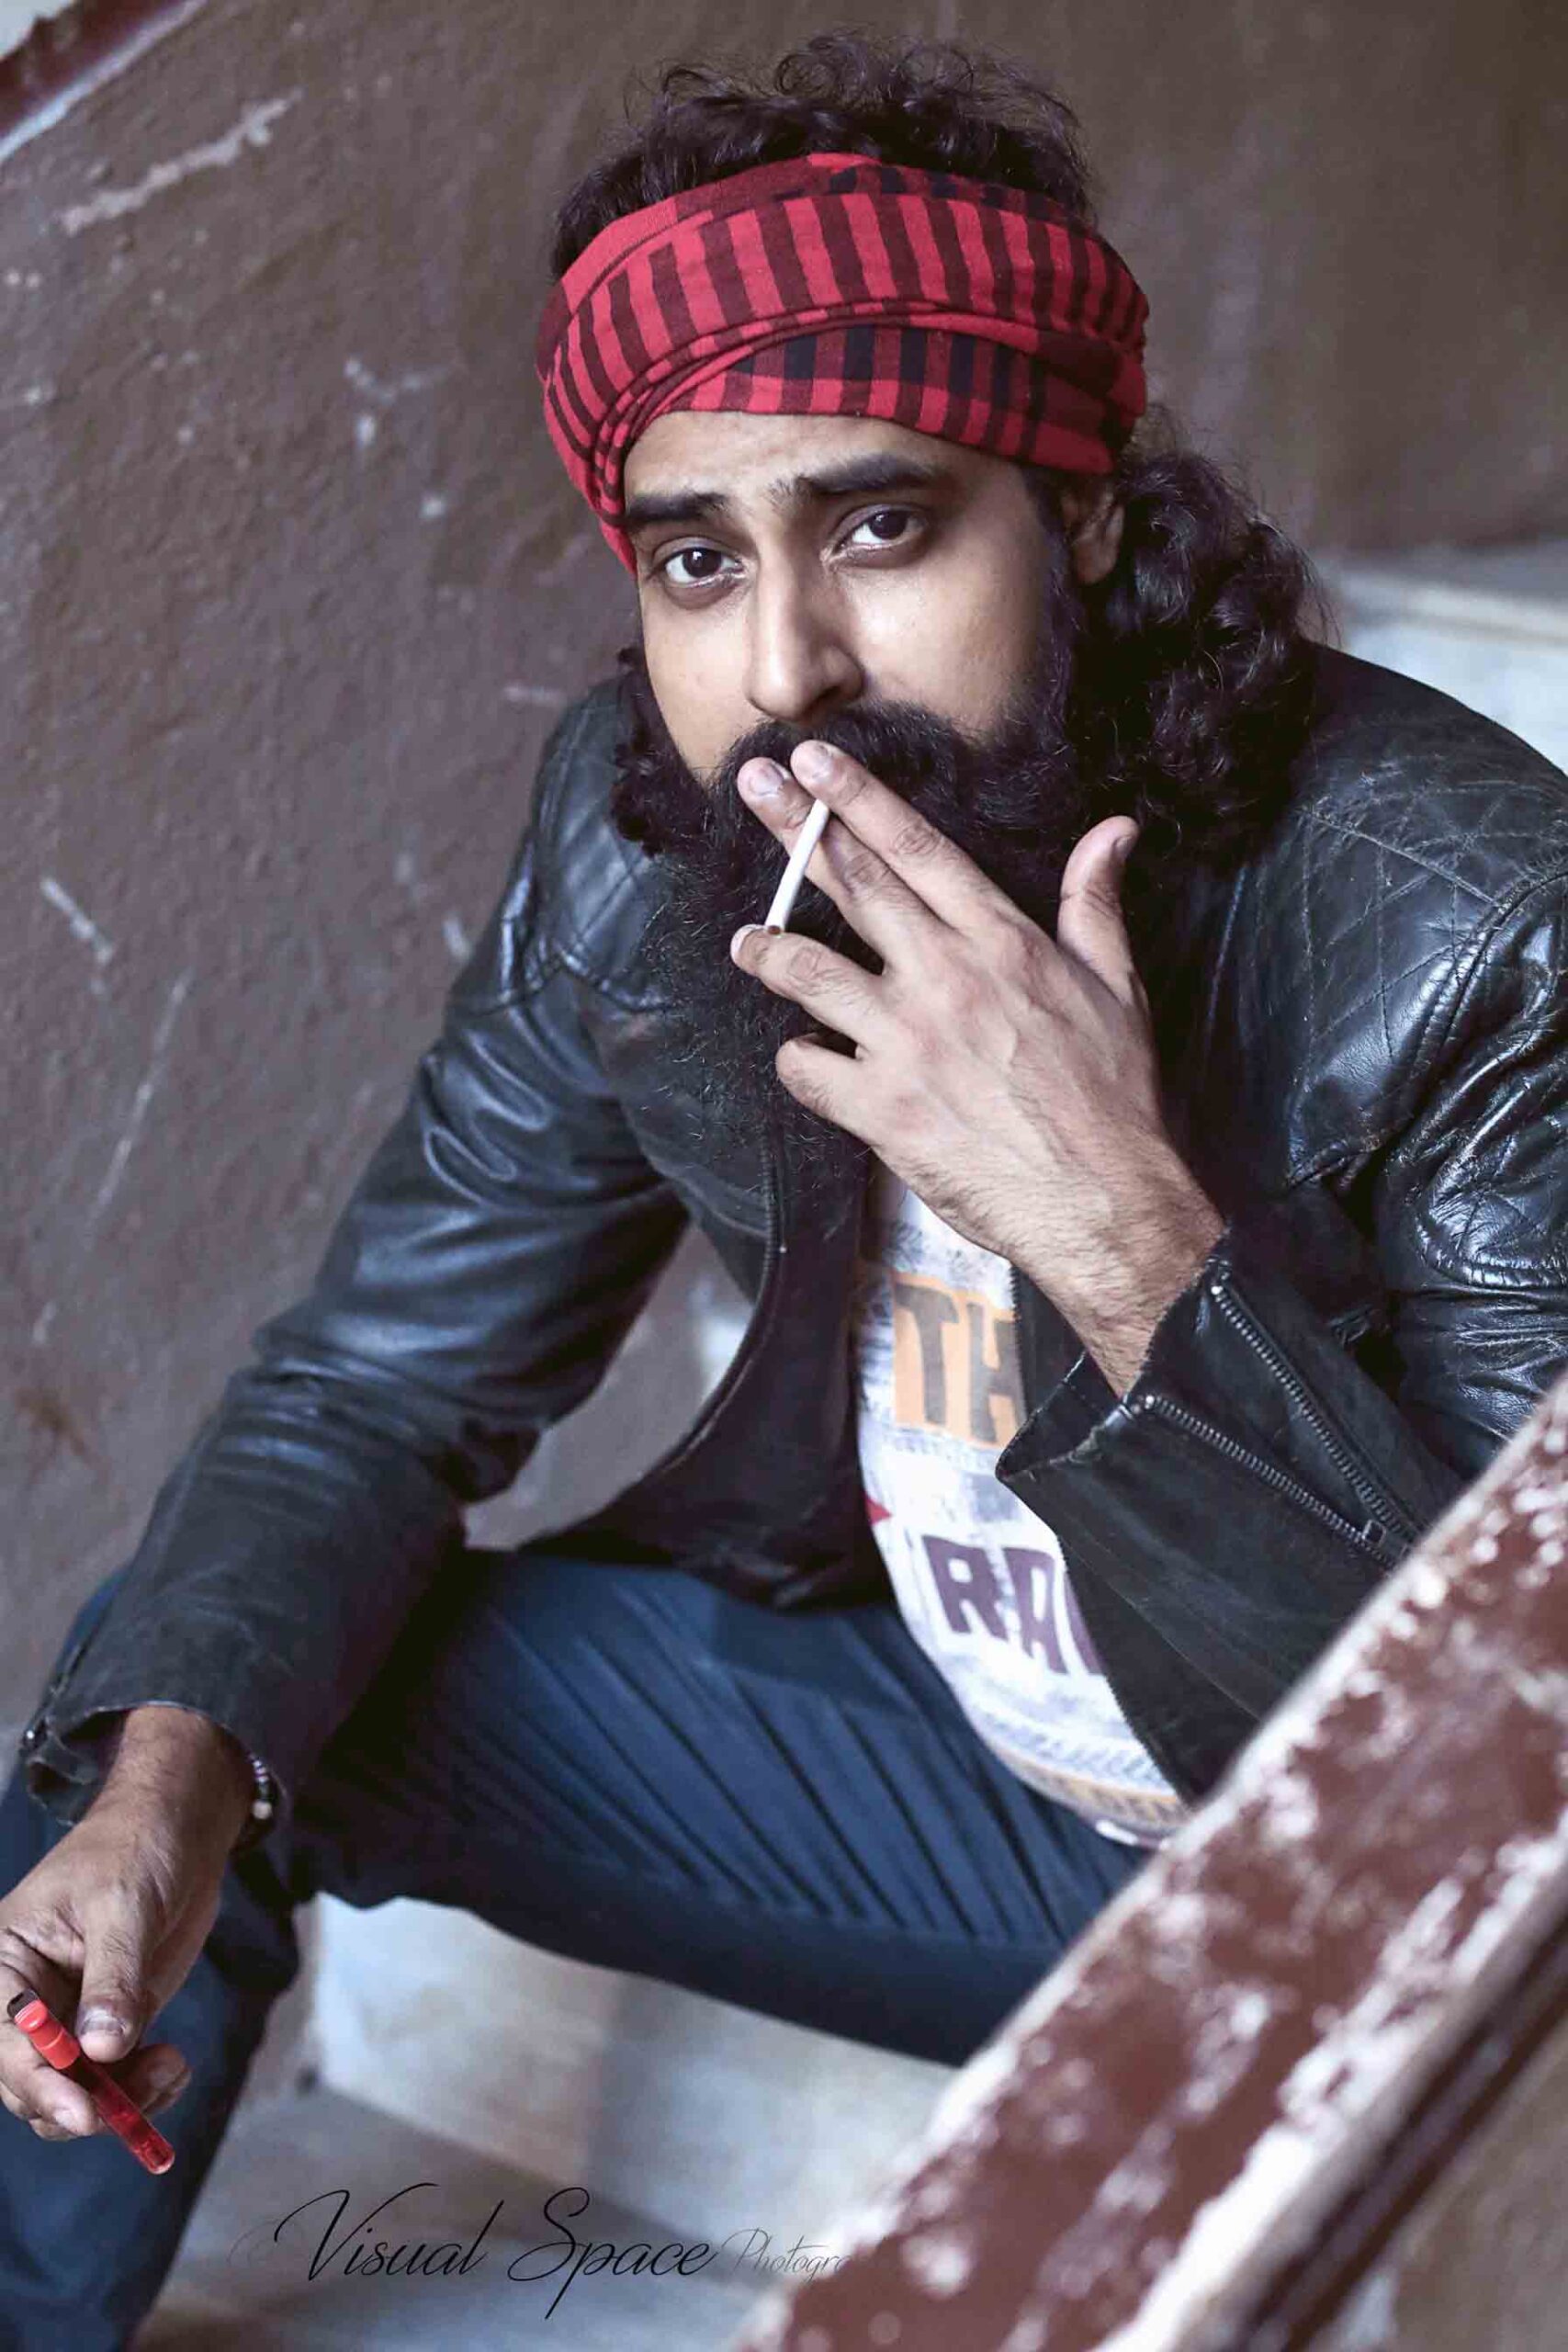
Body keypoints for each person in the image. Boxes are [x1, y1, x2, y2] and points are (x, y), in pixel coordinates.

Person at [4, 31, 1567, 2343]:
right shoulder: (648, 840)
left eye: (881, 524)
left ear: (1087, 516)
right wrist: (159, 1792)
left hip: (1318, 1886)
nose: (783, 667)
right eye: (694, 559)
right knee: (180, 1692)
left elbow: (1502, 1798)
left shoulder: (1469, 918)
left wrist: (1112, 1225)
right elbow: (371, 1386)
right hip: (957, 1789)